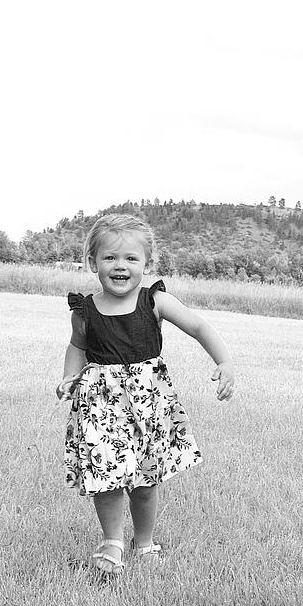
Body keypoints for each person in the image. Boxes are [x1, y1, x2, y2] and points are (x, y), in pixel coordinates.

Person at [57, 212, 236, 576]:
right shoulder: (85, 311)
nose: (120, 265)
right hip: (100, 406)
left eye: (131, 258)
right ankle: (112, 542)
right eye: (109, 257)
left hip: (146, 405)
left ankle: (144, 543)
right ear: (93, 262)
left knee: (144, 480)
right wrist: (69, 377)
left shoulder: (155, 301)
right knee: (104, 476)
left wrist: (225, 361)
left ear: (147, 264)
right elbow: (77, 346)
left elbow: (198, 326)